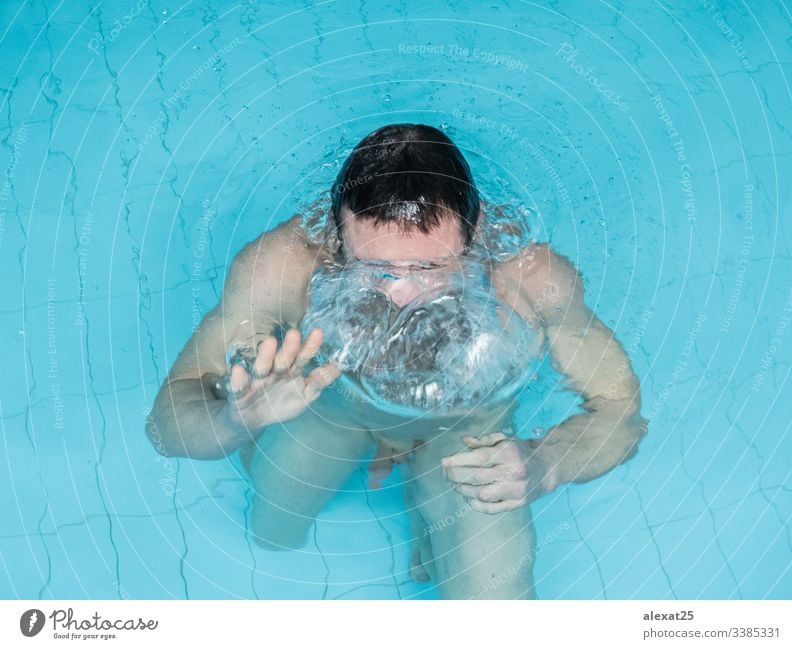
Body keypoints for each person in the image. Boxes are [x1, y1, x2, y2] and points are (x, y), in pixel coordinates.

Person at [146, 123, 647, 599]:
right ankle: (421, 503)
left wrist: (546, 462)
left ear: (474, 233)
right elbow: (164, 427)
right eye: (377, 269)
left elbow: (620, 410)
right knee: (274, 531)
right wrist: (236, 419)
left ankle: (429, 496)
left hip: (470, 433)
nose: (404, 293)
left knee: (498, 607)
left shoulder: (535, 281)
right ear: (338, 237)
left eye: (429, 267)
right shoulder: (279, 267)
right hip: (332, 411)